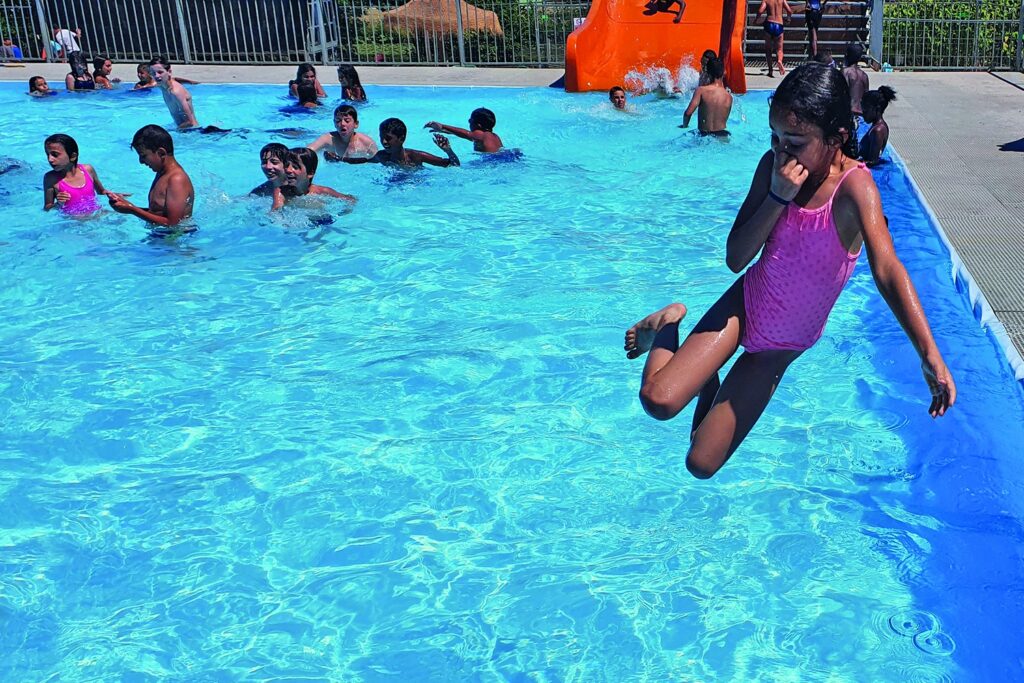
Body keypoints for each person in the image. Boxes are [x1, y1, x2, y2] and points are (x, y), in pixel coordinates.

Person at [624, 63, 955, 480]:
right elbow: (735, 258)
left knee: (700, 462)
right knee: (658, 401)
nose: (782, 151)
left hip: (780, 347)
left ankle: (705, 379)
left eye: (794, 142)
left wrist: (928, 352)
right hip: (745, 307)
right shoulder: (772, 170)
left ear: (835, 138)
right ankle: (666, 323)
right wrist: (778, 198)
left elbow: (887, 267)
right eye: (775, 137)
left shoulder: (855, 189)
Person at [107, 124, 195, 232]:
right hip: (162, 236)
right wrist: (125, 205)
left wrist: (132, 209)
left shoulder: (176, 180)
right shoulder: (161, 173)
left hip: (177, 238)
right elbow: (157, 212)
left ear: (161, 153)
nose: (141, 161)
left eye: (143, 156)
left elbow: (173, 224)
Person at [344, 118, 460, 168]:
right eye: (382, 137)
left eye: (388, 138)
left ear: (401, 138)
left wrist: (448, 150)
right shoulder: (382, 156)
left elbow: (453, 164)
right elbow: (363, 160)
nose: (384, 142)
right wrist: (341, 158)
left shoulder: (416, 156)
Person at [42, 133, 109, 214]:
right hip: (73, 220)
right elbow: (47, 208)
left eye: (55, 155)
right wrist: (58, 204)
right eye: (47, 154)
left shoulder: (88, 170)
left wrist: (114, 195)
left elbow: (101, 192)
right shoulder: (50, 178)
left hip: (97, 214)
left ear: (73, 156)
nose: (50, 159)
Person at [272, 147, 356, 210]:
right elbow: (275, 212)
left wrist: (343, 212)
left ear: (310, 173)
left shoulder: (322, 192)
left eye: (295, 167)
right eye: (286, 166)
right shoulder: (281, 191)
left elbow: (351, 200)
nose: (288, 170)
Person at [681, 57, 733, 137]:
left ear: (708, 72)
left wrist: (685, 126)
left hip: (703, 134)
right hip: (722, 135)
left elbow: (688, 113)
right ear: (724, 72)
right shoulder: (729, 97)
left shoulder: (701, 91)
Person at [308, 104, 378, 162]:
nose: (342, 124)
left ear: (356, 124)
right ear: (334, 124)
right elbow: (307, 152)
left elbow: (377, 162)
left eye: (347, 121)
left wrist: (338, 159)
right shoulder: (328, 139)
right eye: (338, 120)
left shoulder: (367, 144)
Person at [424, 108, 502, 153]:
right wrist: (445, 130)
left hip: (491, 161)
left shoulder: (482, 135)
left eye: (470, 120)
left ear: (479, 125)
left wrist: (443, 126)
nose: (469, 122)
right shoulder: (494, 136)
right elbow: (464, 134)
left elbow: (466, 133)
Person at [858, 86, 896, 166]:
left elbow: (873, 161)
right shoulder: (876, 126)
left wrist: (851, 163)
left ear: (877, 109)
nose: (862, 113)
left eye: (865, 111)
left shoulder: (878, 130)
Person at [755, 0, 793, 78]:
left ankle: (770, 70)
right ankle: (779, 60)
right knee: (779, 49)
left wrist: (756, 19)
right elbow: (789, 10)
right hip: (779, 24)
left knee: (768, 50)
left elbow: (760, 11)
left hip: (769, 24)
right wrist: (788, 19)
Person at [842, 43, 869, 120]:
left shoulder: (845, 72)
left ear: (847, 55)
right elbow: (866, 96)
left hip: (848, 113)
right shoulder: (864, 75)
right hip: (861, 115)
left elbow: (842, 93)